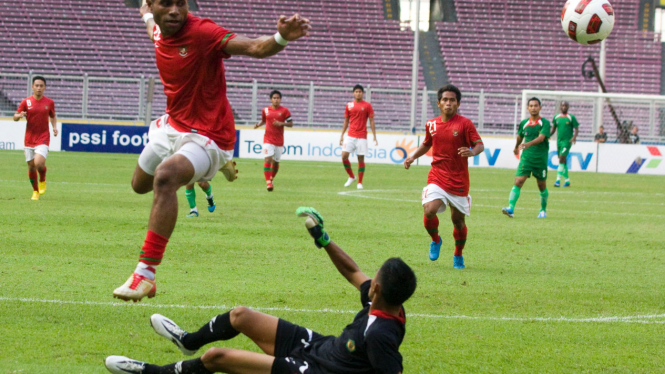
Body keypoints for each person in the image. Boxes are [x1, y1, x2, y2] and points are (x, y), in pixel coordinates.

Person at [112, 0, 311, 302]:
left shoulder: (203, 32)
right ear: (154, 5)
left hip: (209, 134)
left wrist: (280, 37)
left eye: (181, 2)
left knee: (165, 177)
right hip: (172, 126)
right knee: (139, 185)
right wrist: (146, 15)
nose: (176, 10)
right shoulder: (157, 29)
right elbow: (151, 25)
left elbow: (255, 47)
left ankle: (146, 273)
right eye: (167, 3)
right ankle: (219, 166)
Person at [104, 207, 416, 374]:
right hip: (319, 348)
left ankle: (156, 373)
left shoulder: (381, 334)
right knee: (240, 316)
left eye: (372, 277)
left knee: (217, 357)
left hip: (312, 371)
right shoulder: (385, 302)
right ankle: (188, 341)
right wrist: (322, 239)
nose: (367, 278)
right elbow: (351, 271)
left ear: (376, 287)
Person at [404, 84, 484, 269]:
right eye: (445, 100)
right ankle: (436, 239)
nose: (448, 103)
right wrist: (412, 156)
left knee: (458, 221)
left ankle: (458, 254)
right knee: (429, 210)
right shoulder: (431, 124)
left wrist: (472, 152)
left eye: (452, 100)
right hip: (437, 176)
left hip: (459, 180)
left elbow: (480, 145)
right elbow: (426, 144)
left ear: (458, 104)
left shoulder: (465, 124)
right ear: (439, 103)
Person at [502, 97, 550, 219]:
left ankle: (543, 210)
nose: (533, 108)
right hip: (526, 158)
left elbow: (541, 138)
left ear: (540, 107)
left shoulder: (544, 123)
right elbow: (520, 136)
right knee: (518, 181)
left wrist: (528, 144)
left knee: (541, 185)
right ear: (528, 108)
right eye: (531, 106)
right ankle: (511, 208)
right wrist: (516, 146)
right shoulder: (524, 123)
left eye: (536, 105)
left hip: (540, 158)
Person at [13, 76, 58, 201]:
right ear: (32, 87)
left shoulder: (49, 102)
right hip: (29, 139)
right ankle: (35, 191)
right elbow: (15, 117)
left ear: (44, 87)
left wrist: (54, 127)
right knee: (31, 167)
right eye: (36, 85)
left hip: (43, 137)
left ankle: (42, 178)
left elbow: (53, 116)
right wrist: (19, 115)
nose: (39, 88)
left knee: (38, 163)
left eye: (41, 86)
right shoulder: (26, 102)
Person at [254, 90, 293, 191]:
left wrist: (281, 123)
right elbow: (263, 120)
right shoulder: (265, 110)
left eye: (278, 98)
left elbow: (291, 124)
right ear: (271, 99)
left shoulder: (285, 111)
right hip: (268, 139)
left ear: (280, 99)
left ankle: (271, 179)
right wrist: (258, 125)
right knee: (268, 159)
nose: (276, 100)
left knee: (275, 163)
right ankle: (268, 183)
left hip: (279, 141)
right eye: (274, 98)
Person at [340, 85, 377, 190]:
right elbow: (346, 121)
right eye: (356, 91)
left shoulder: (367, 105)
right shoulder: (349, 105)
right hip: (350, 135)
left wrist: (374, 135)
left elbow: (371, 121)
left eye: (360, 91)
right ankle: (351, 176)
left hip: (362, 136)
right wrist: (342, 135)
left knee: (360, 158)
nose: (358, 93)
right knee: (344, 156)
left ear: (363, 93)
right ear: (353, 93)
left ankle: (360, 182)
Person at [550, 101, 579, 187]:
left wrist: (574, 137)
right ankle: (567, 182)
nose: (564, 107)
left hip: (567, 141)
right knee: (563, 161)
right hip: (559, 141)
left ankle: (557, 181)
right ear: (560, 107)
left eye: (565, 106)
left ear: (568, 107)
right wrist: (547, 135)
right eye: (562, 105)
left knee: (562, 158)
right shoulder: (556, 117)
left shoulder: (571, 117)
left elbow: (576, 128)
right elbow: (553, 129)